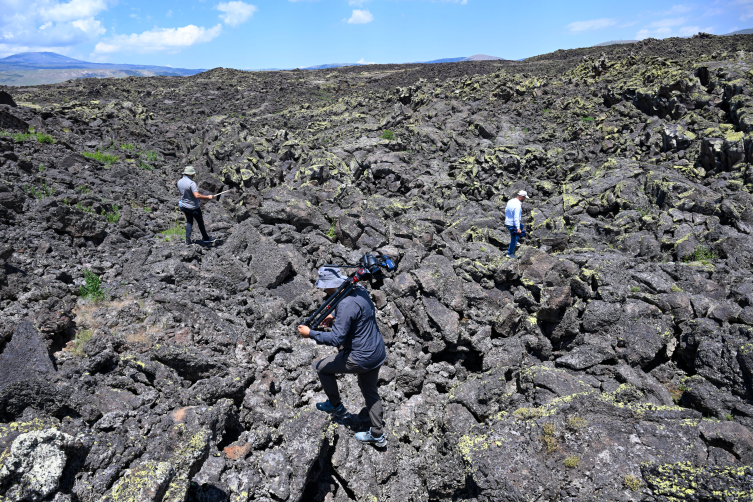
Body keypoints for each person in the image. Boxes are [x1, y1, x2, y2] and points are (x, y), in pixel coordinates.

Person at [298, 267, 387, 447]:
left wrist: (311, 334)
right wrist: (334, 316)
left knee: (322, 367)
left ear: (331, 285)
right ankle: (378, 434)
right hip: (377, 352)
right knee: (370, 391)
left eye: (325, 287)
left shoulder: (345, 304)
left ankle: (336, 405)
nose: (324, 290)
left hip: (360, 357)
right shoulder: (359, 289)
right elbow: (356, 313)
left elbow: (336, 338)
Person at [177, 166, 215, 245]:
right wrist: (208, 197)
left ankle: (187, 241)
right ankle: (206, 239)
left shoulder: (179, 182)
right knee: (200, 223)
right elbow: (197, 196)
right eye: (193, 173)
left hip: (184, 206)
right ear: (191, 174)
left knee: (189, 222)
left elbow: (182, 194)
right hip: (193, 208)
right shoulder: (191, 183)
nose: (194, 175)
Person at [505, 190, 529, 259]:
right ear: (521, 197)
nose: (525, 199)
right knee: (514, 239)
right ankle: (509, 253)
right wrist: (518, 228)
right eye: (524, 197)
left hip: (508, 222)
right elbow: (516, 218)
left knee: (522, 226)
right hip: (512, 224)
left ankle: (516, 242)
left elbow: (506, 210)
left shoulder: (511, 201)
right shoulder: (518, 206)